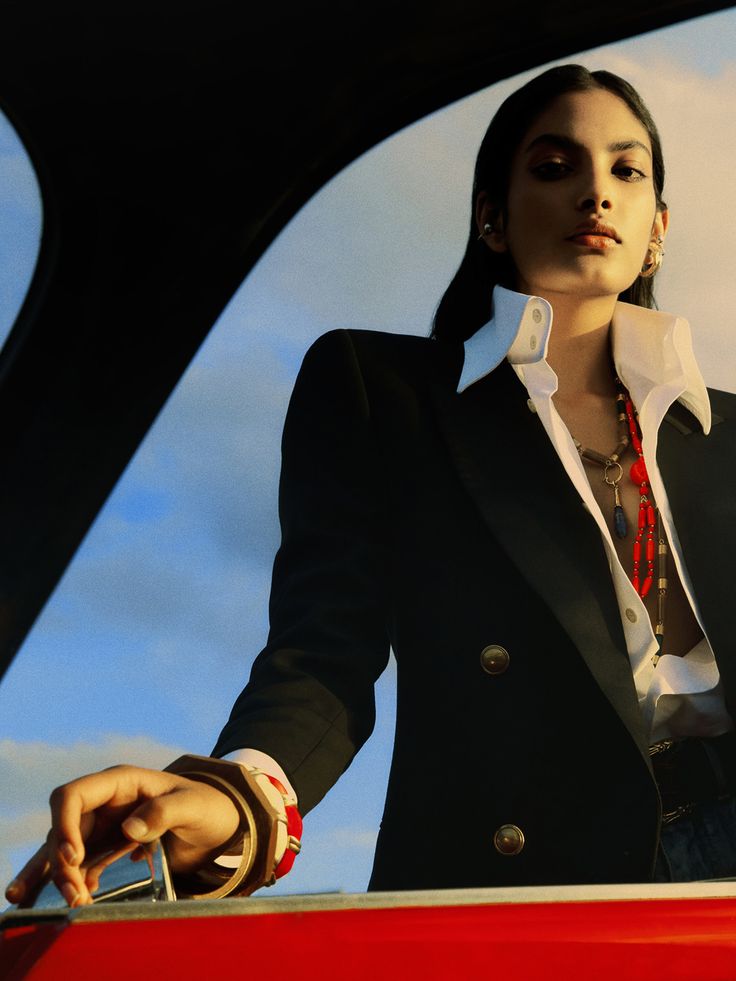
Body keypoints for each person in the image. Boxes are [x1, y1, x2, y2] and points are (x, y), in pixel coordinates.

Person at [7, 63, 736, 908]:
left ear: (659, 227)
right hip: (530, 882)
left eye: (626, 169)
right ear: (491, 217)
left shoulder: (727, 432)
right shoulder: (382, 390)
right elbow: (324, 652)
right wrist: (235, 793)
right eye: (553, 166)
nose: (596, 193)